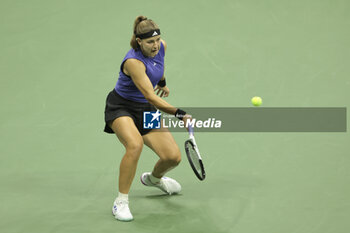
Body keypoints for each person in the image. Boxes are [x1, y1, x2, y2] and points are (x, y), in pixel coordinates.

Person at [104, 15, 189, 222]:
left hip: (146, 110)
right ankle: (121, 201)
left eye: (158, 40)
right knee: (134, 145)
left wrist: (162, 82)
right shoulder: (133, 62)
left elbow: (159, 67)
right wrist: (179, 113)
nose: (156, 45)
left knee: (172, 157)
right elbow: (150, 96)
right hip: (121, 107)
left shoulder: (162, 47)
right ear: (139, 41)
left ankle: (154, 179)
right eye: (150, 42)